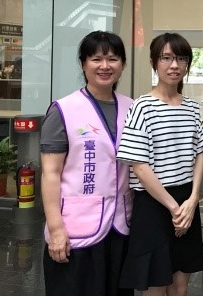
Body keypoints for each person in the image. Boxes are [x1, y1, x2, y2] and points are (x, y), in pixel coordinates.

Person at [40, 31, 134, 296]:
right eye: (96, 59)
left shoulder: (132, 108)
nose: (105, 66)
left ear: (123, 64)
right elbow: (50, 173)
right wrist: (56, 228)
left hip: (120, 225)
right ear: (83, 64)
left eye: (112, 59)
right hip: (75, 228)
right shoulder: (64, 109)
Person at [116, 33, 203, 295]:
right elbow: (139, 165)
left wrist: (193, 199)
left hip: (186, 200)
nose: (174, 65)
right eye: (166, 58)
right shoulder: (142, 107)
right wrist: (175, 208)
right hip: (153, 204)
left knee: (180, 287)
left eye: (181, 58)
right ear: (154, 63)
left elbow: (199, 154)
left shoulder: (192, 108)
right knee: (154, 285)